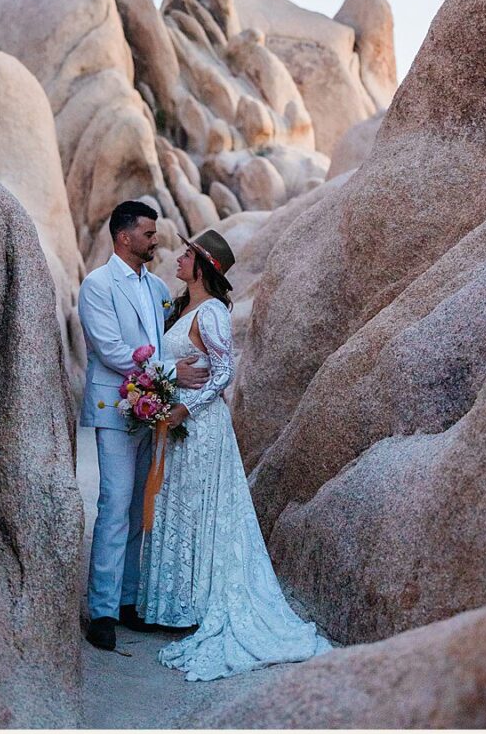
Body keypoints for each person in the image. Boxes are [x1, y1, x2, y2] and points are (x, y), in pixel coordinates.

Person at [137, 229, 333, 680]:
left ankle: (198, 605)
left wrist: (185, 409)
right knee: (178, 506)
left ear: (202, 267)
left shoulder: (211, 313)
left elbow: (223, 371)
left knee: (200, 509)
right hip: (176, 425)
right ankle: (174, 604)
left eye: (187, 254)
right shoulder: (181, 308)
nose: (179, 259)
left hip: (201, 427)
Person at [78, 200, 210, 652]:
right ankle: (102, 611)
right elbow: (112, 350)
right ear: (124, 237)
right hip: (116, 407)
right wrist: (173, 374)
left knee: (139, 508)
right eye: (148, 234)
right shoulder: (97, 285)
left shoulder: (155, 287)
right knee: (115, 504)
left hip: (153, 409)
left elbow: (163, 340)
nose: (155, 240)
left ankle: (128, 600)